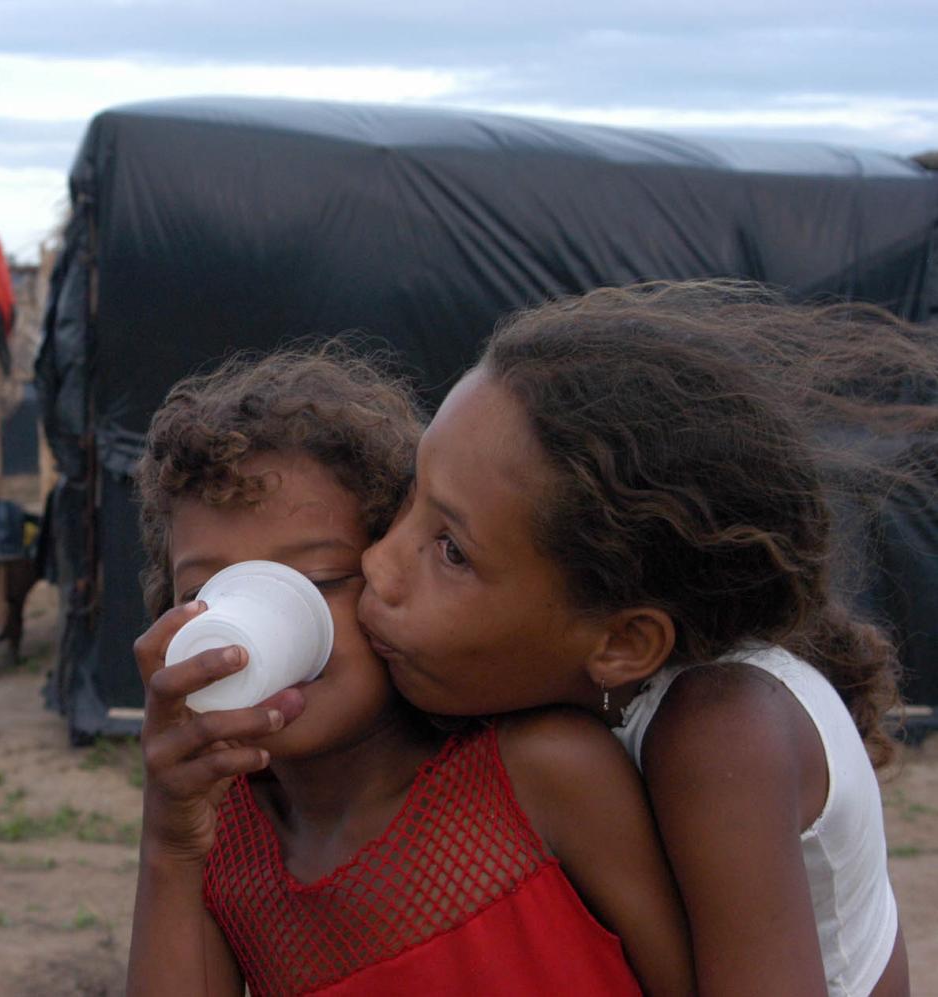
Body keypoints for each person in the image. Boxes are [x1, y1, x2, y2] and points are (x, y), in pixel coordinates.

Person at [358, 280, 924, 996]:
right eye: (411, 495)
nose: (377, 562)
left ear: (624, 643)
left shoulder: (721, 731)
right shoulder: (576, 682)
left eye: (452, 551)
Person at [126, 348, 693, 996]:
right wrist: (169, 847)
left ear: (392, 574)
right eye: (210, 593)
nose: (251, 634)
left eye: (316, 581)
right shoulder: (220, 841)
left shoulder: (541, 774)